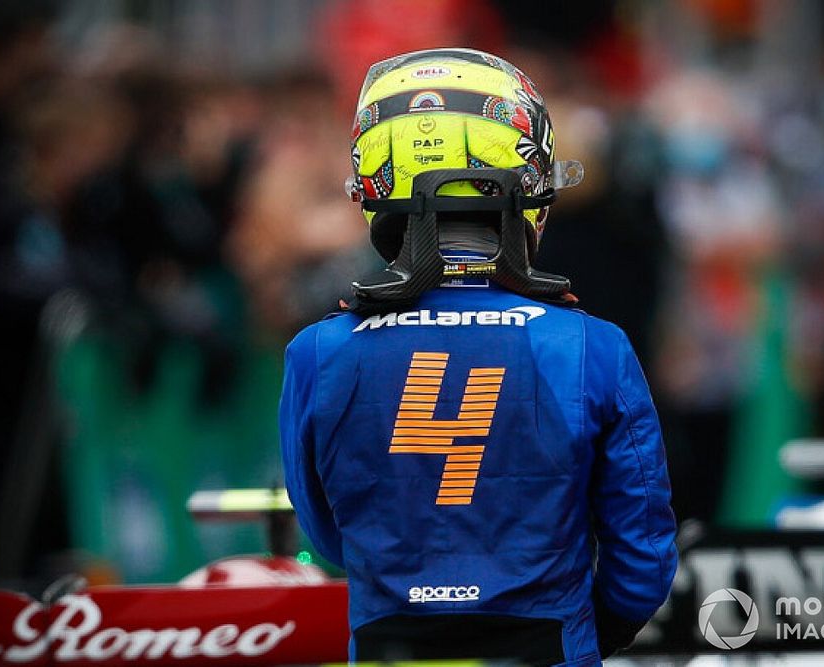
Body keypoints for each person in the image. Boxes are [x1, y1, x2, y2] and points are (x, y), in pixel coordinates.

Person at [279, 48, 677, 665]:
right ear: (525, 179)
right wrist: (593, 630)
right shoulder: (591, 345)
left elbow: (327, 532)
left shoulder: (317, 351)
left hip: (389, 647)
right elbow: (643, 559)